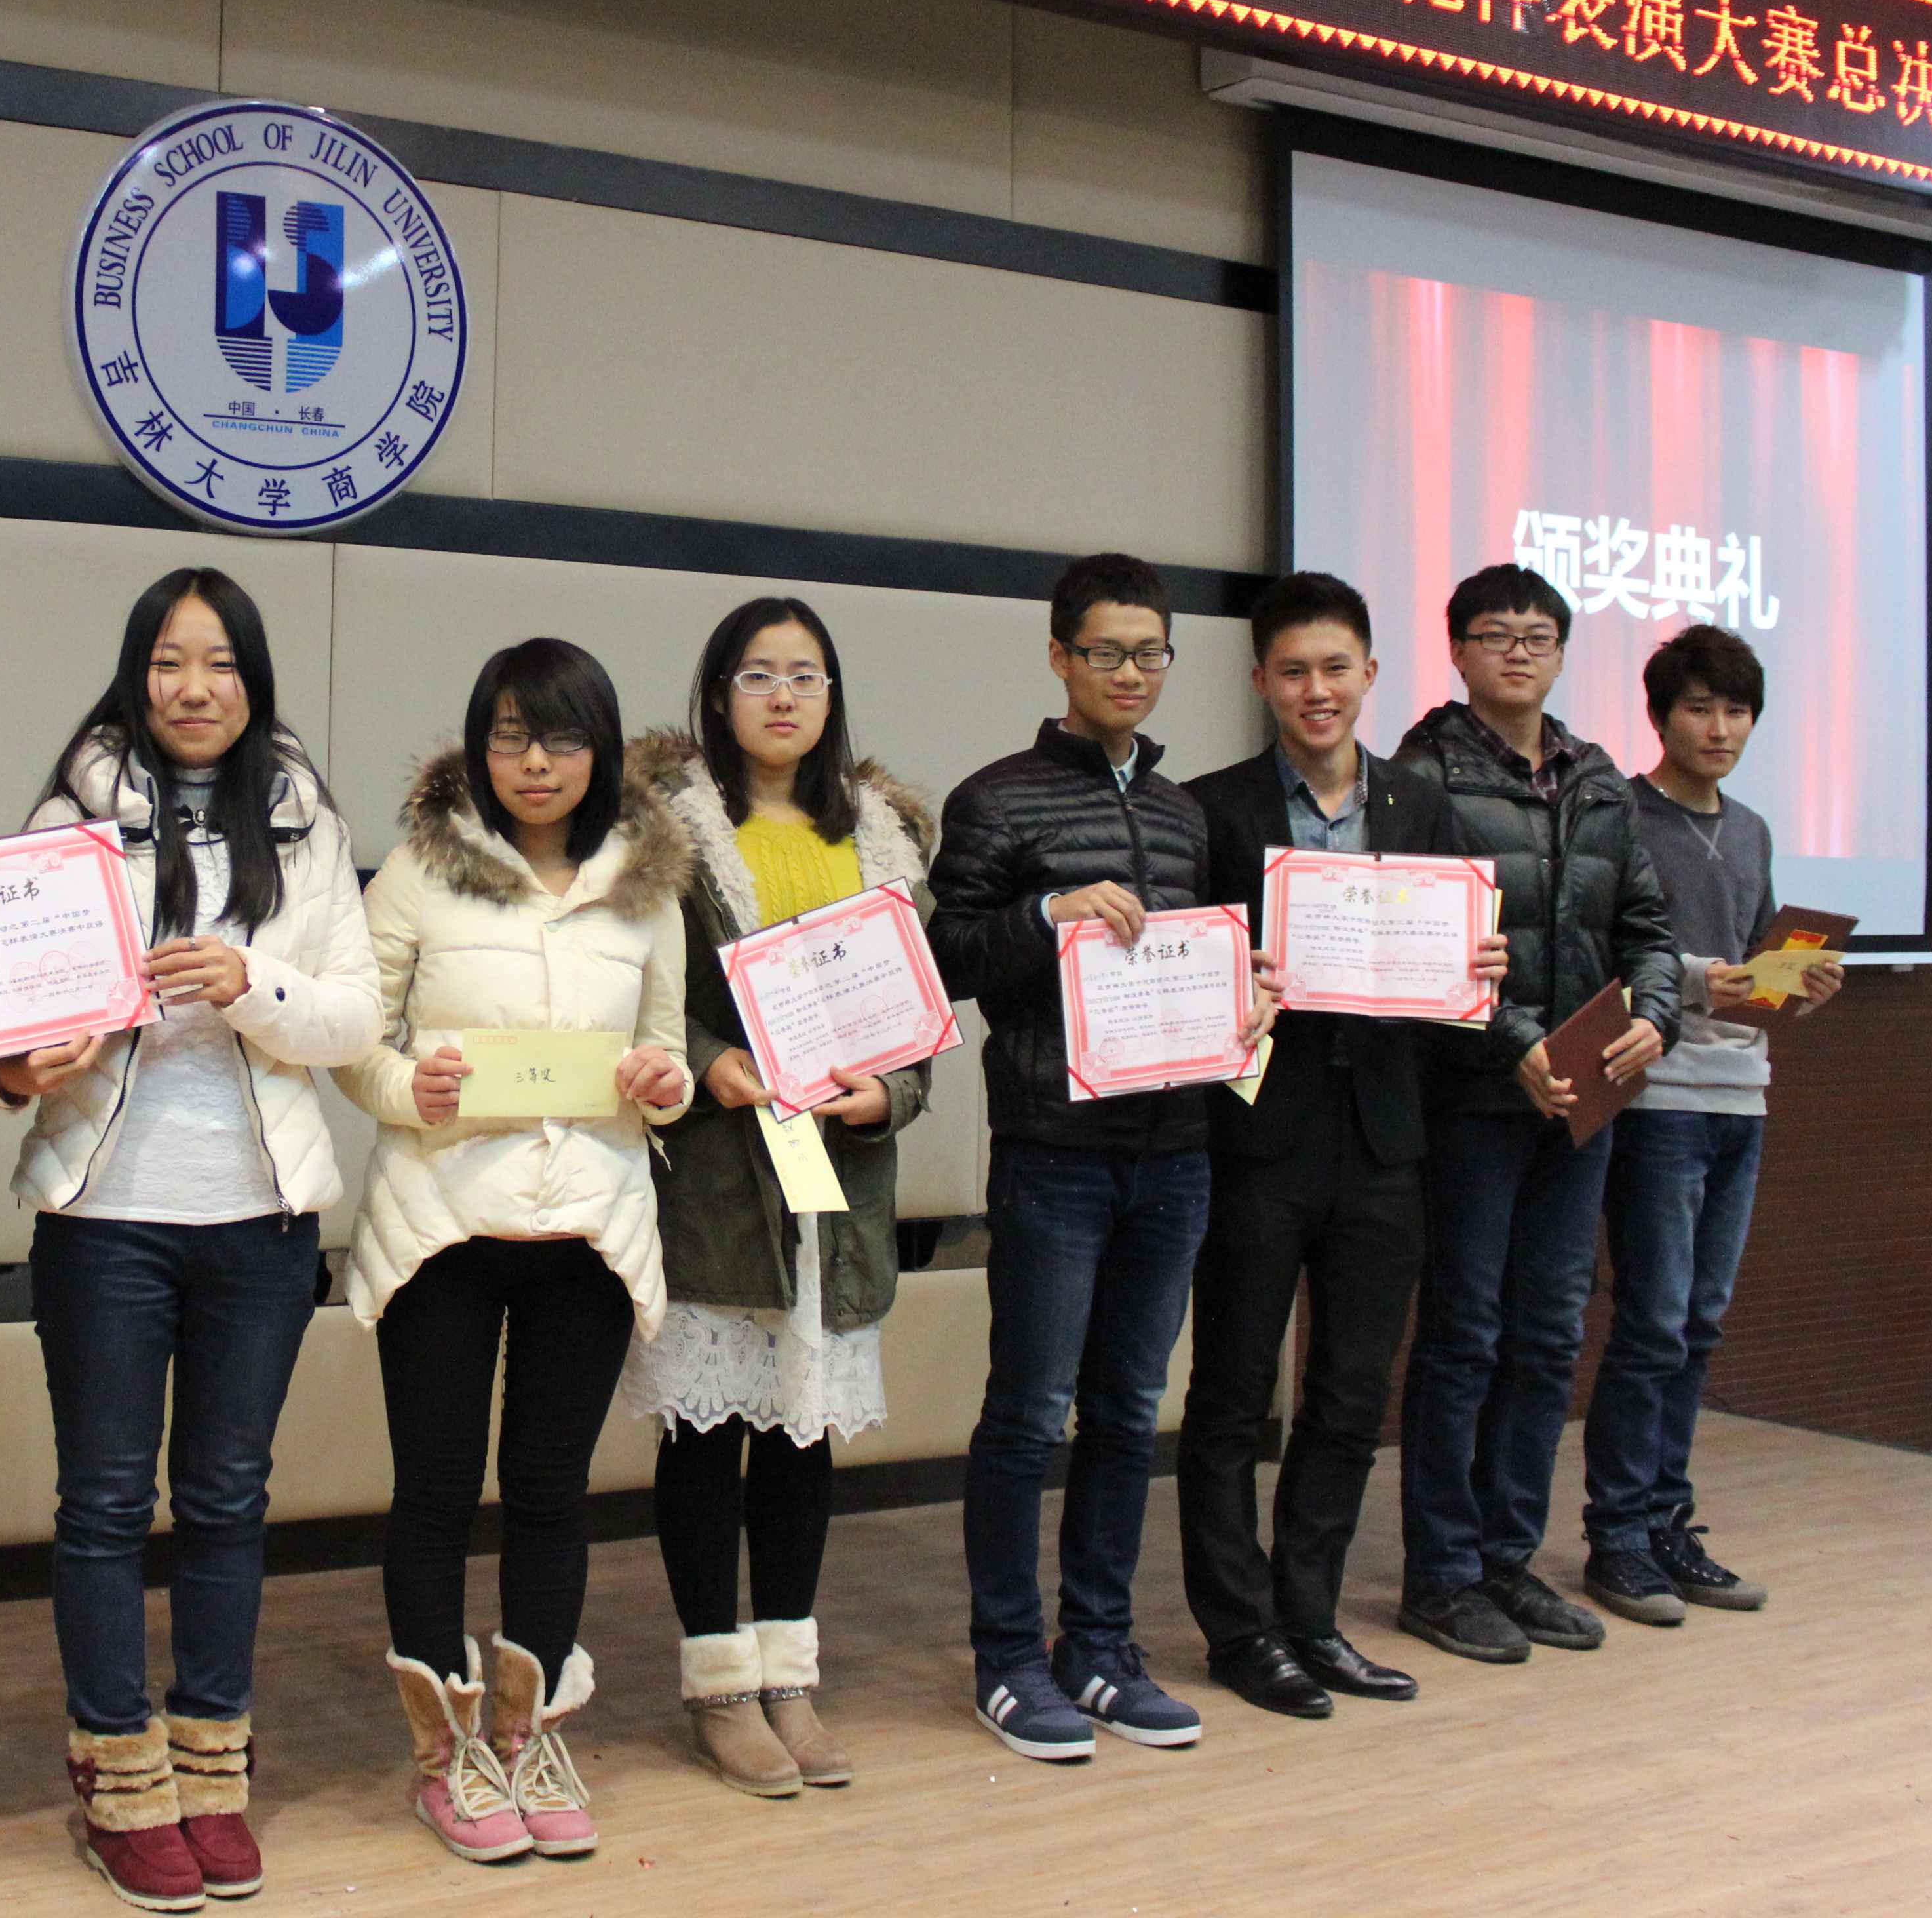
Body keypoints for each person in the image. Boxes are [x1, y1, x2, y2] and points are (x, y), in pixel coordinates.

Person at [0, 568, 378, 1914]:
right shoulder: (68, 820)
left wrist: (253, 982)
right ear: (134, 675)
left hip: (260, 1221)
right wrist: (23, 1067)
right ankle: (117, 1773)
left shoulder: (305, 823)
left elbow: (355, 1020)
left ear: (253, 679)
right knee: (102, 1504)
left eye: (219, 663)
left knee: (227, 1500)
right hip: (107, 1218)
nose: (193, 688)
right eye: (167, 662)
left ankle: (213, 1769)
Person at [338, 641, 693, 1864]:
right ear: (479, 744)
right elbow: (356, 1040)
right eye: (508, 735)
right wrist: (409, 1087)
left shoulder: (647, 887)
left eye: (560, 737)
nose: (533, 761)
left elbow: (664, 1052)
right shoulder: (420, 873)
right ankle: (445, 1753)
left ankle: (530, 1737)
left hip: (588, 1227)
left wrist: (661, 1083)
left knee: (551, 1493)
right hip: (441, 1225)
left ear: (601, 749)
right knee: (435, 1492)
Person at [929, 553, 1273, 1765]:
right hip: (1055, 1153)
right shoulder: (996, 801)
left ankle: (1102, 1647)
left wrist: (1249, 994)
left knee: (1130, 1411)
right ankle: (1009, 1658)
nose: (1132, 673)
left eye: (1151, 653)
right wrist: (1046, 915)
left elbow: (1202, 958)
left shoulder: (1184, 816)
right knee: (1028, 1414)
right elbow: (945, 956)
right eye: (1107, 652)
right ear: (1060, 656)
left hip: (1177, 1151)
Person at [619, 598, 935, 1798]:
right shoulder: (666, 835)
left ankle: (790, 1675)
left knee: (804, 1438)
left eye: (806, 675)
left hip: (837, 1185)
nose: (785, 696)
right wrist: (705, 1060)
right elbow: (636, 991)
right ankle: (718, 1685)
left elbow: (917, 1024)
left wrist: (891, 1094)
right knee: (708, 1435)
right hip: (721, 1172)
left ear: (832, 696)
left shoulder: (887, 841)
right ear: (718, 694)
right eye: (758, 675)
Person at [1177, 572, 1505, 1720]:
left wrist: (1481, 971)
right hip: (1257, 1139)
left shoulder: (1423, 808)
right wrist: (1231, 981)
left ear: (1370, 673)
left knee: (1353, 1395)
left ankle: (1311, 1616)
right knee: (1232, 1394)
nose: (1317, 690)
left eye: (1335, 668)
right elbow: (1182, 978)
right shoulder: (1212, 812)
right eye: (1293, 671)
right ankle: (1239, 1630)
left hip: (1386, 1141)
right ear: (1261, 681)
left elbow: (1456, 980)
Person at [1390, 564, 1680, 1666]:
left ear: (1561, 653)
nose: (1518, 652)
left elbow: (1646, 925)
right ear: (1457, 651)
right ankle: (1443, 1573)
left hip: (1584, 1097)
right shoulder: (1421, 774)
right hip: (1474, 1095)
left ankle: (1508, 1556)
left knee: (1552, 1332)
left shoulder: (1598, 776)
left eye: (1538, 636)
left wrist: (1656, 1015)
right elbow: (1420, 939)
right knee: (1465, 1333)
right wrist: (1515, 1043)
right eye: (1495, 635)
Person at [1579, 623, 1842, 1626]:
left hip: (1743, 1094)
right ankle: (1619, 1537)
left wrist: (1794, 986)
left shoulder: (1755, 830)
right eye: (1700, 708)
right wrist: (1699, 981)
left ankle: (1667, 1524)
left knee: (1699, 1324)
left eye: (1737, 711)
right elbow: (1603, 954)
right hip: (1656, 1097)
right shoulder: (1619, 816)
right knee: (1652, 1322)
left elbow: (1754, 972)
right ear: (1660, 716)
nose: (1720, 728)